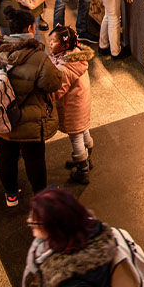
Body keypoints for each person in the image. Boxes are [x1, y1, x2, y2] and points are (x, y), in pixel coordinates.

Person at [0, 7, 62, 206]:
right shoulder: (37, 57)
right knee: (35, 160)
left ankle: (11, 195)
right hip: (28, 119)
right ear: (30, 28)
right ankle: (41, 197)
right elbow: (53, 83)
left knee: (6, 157)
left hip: (0, 116)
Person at [20, 188, 118, 287]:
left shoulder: (69, 280)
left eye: (37, 221)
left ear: (56, 227)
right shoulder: (90, 230)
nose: (30, 221)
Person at [49, 25, 94, 184]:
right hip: (81, 102)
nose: (50, 44)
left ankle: (83, 171)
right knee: (84, 130)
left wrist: (47, 96)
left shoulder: (66, 67)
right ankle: (88, 160)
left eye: (53, 42)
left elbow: (58, 90)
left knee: (76, 137)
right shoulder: (75, 55)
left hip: (72, 107)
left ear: (65, 45)